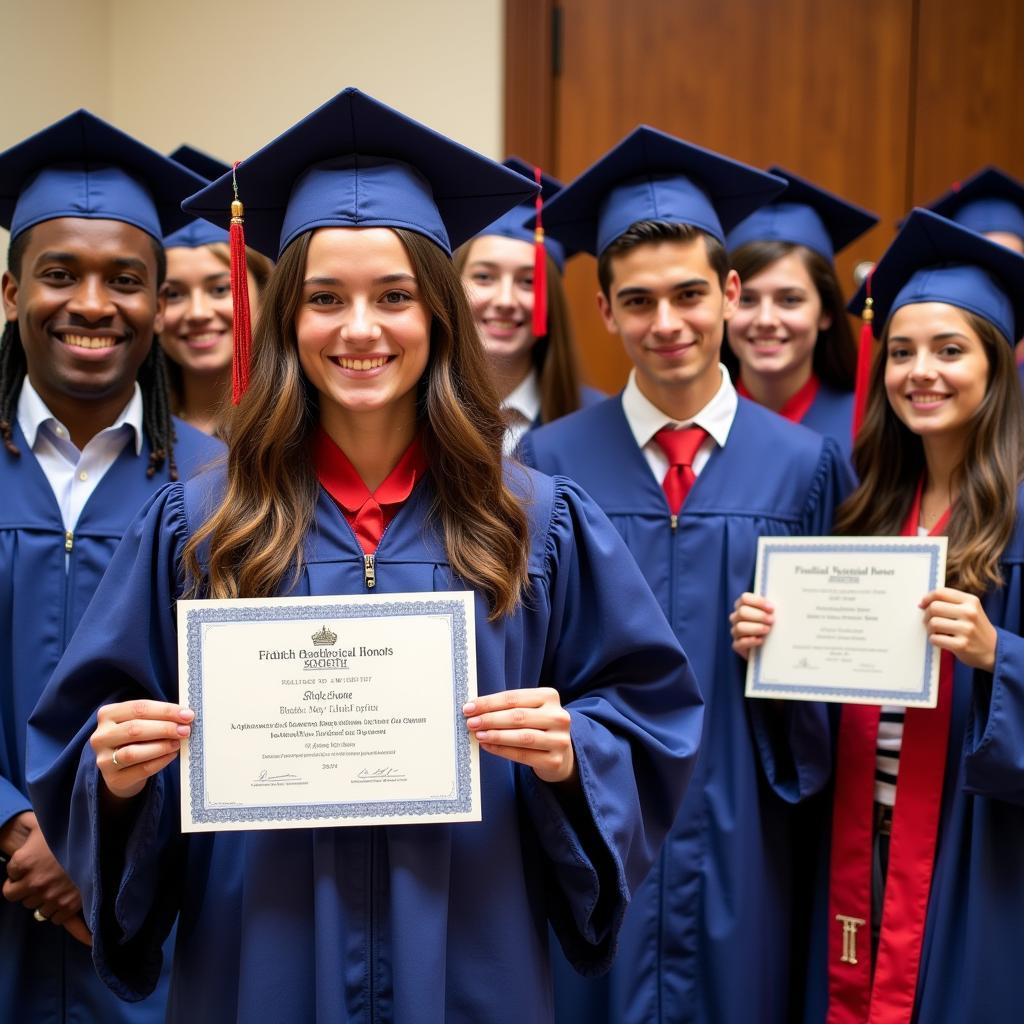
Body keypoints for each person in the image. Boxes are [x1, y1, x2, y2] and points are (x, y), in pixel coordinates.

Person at [26, 88, 704, 1024]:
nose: (359, 330)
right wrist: (115, 776)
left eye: (394, 297)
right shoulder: (199, 526)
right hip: (255, 965)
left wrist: (572, 751)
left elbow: (649, 717)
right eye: (323, 299)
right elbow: (83, 737)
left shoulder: (535, 523)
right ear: (285, 320)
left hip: (475, 963)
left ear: (437, 317)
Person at [521, 126, 855, 1024]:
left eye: (688, 295)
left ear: (730, 294)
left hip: (747, 830)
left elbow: (845, 689)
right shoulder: (548, 465)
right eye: (638, 301)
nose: (666, 324)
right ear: (603, 311)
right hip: (593, 825)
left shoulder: (805, 466)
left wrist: (797, 661)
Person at [731, 208, 1024, 1022]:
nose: (919, 372)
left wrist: (1001, 650)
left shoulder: (1022, 517)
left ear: (998, 367)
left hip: (973, 855)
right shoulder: (867, 515)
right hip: (863, 841)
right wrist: (773, 651)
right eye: (900, 352)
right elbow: (832, 706)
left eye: (949, 350)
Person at [0, 110, 222, 1023]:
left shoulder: (225, 486)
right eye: (60, 274)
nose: (92, 303)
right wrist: (21, 824)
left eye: (126, 280)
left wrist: (93, 838)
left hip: (152, 913)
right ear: (12, 293)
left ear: (159, 303)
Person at [725, 168, 877, 456]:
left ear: (826, 312)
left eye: (790, 300)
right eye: (747, 299)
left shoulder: (869, 424)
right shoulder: (694, 424)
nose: (766, 319)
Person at [455, 158, 601, 454]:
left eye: (528, 281)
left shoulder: (599, 423)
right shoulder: (411, 414)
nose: (506, 301)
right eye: (484, 277)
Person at [160, 145, 273, 435]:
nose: (197, 313)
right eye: (173, 294)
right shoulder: (131, 436)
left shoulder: (294, 434)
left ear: (263, 293)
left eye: (221, 289)